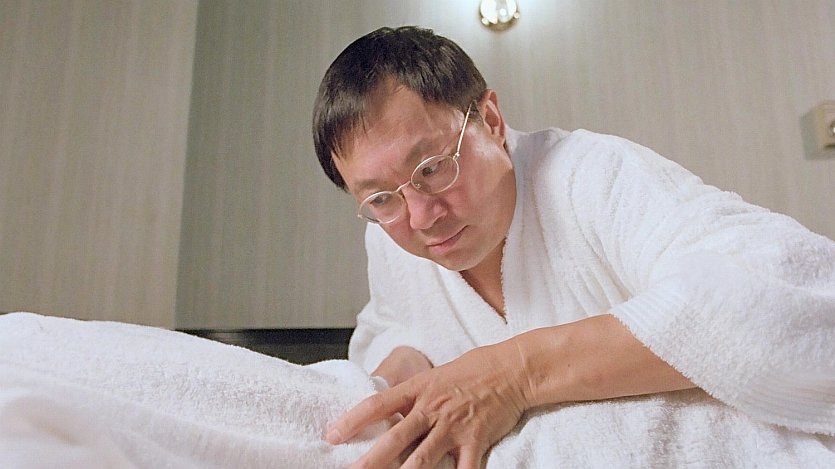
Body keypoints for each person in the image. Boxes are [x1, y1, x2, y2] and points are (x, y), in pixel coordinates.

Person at [312, 26, 835, 468]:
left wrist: (514, 374)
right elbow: (390, 326)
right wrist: (410, 361)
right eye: (381, 198)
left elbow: (781, 294)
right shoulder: (389, 240)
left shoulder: (591, 175)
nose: (421, 217)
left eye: (431, 168)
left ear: (490, 122)